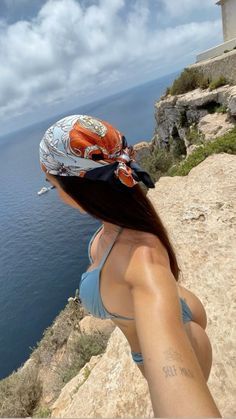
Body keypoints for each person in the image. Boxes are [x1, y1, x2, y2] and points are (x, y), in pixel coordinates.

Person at [39, 114, 222, 418]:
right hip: (179, 307)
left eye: (52, 185)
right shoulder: (122, 221)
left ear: (78, 187)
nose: (56, 195)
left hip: (187, 338)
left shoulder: (142, 265)